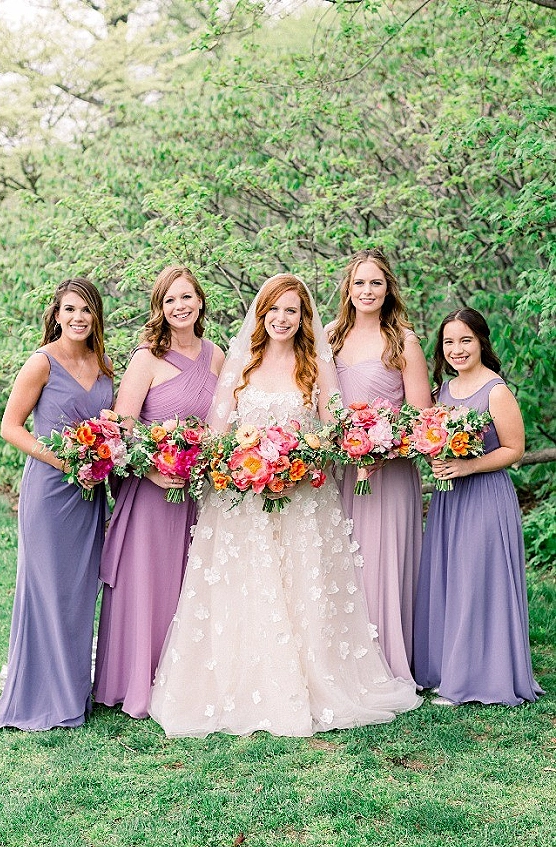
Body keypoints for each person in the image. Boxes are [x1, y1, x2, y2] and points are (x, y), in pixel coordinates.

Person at [149, 273, 422, 737]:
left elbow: (332, 432)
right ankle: (242, 682)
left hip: (303, 500)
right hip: (243, 505)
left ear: (303, 317)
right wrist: (246, 469)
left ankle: (312, 680)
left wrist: (297, 467)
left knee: (301, 588)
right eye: (274, 309)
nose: (282, 318)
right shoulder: (242, 363)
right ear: (261, 315)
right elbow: (217, 438)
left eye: (292, 310)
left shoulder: (316, 365)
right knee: (248, 590)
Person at [93, 266, 224, 719]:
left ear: (200, 301)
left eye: (186, 297)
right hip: (151, 492)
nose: (180, 306)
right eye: (170, 300)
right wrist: (153, 471)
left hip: (196, 494)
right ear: (160, 309)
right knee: (148, 583)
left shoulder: (217, 356)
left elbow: (221, 426)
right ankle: (135, 683)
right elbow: (122, 431)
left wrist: (206, 461)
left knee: (189, 583)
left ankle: (182, 682)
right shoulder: (146, 359)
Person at [0, 278, 114, 731]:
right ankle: (43, 697)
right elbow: (10, 427)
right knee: (48, 592)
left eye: (86, 310)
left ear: (96, 316)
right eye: (70, 309)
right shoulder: (41, 362)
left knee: (79, 594)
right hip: (49, 492)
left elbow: (111, 424)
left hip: (89, 495)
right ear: (57, 316)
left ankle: (73, 691)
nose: (78, 317)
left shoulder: (104, 364)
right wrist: (63, 460)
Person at [412, 308, 543, 706]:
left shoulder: (496, 391)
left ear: (482, 342)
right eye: (449, 342)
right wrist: (436, 458)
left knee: (475, 582)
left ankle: (476, 679)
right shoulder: (443, 391)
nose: (457, 349)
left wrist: (467, 466)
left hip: (485, 496)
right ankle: (446, 670)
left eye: (465, 340)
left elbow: (514, 449)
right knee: (449, 579)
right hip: (449, 498)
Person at [326, 250, 431, 684]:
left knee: (381, 563)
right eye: (359, 283)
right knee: (341, 562)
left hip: (389, 471)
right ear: (347, 289)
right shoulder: (329, 337)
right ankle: (342, 661)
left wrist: (378, 450)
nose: (366, 291)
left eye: (375, 283)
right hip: (339, 472)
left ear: (388, 290)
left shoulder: (403, 341)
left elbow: (421, 416)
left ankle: (389, 661)